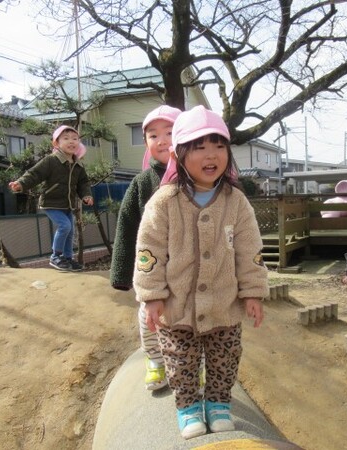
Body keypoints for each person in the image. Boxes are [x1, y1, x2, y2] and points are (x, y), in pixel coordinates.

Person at [133, 105, 268, 440]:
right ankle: (188, 406)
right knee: (181, 361)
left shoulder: (236, 201)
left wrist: (252, 292)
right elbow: (149, 252)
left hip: (224, 305)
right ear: (178, 154)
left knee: (225, 358)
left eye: (219, 145)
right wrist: (152, 297)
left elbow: (249, 250)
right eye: (200, 147)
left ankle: (219, 403)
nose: (211, 155)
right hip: (177, 307)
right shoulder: (164, 201)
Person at [109, 104, 181, 391]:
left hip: (187, 265)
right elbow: (127, 225)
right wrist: (121, 272)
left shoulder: (196, 178)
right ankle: (154, 359)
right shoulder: (141, 183)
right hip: (152, 266)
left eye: (170, 132)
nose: (162, 140)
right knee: (149, 314)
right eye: (153, 135)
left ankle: (195, 363)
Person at [9, 125, 93, 271]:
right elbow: (35, 174)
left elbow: (83, 183)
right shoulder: (51, 160)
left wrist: (86, 195)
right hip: (51, 202)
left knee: (70, 230)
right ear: (56, 143)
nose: (71, 141)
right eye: (66, 138)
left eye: (75, 139)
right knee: (65, 226)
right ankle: (55, 256)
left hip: (68, 204)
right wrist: (21, 183)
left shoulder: (78, 164)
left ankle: (67, 258)